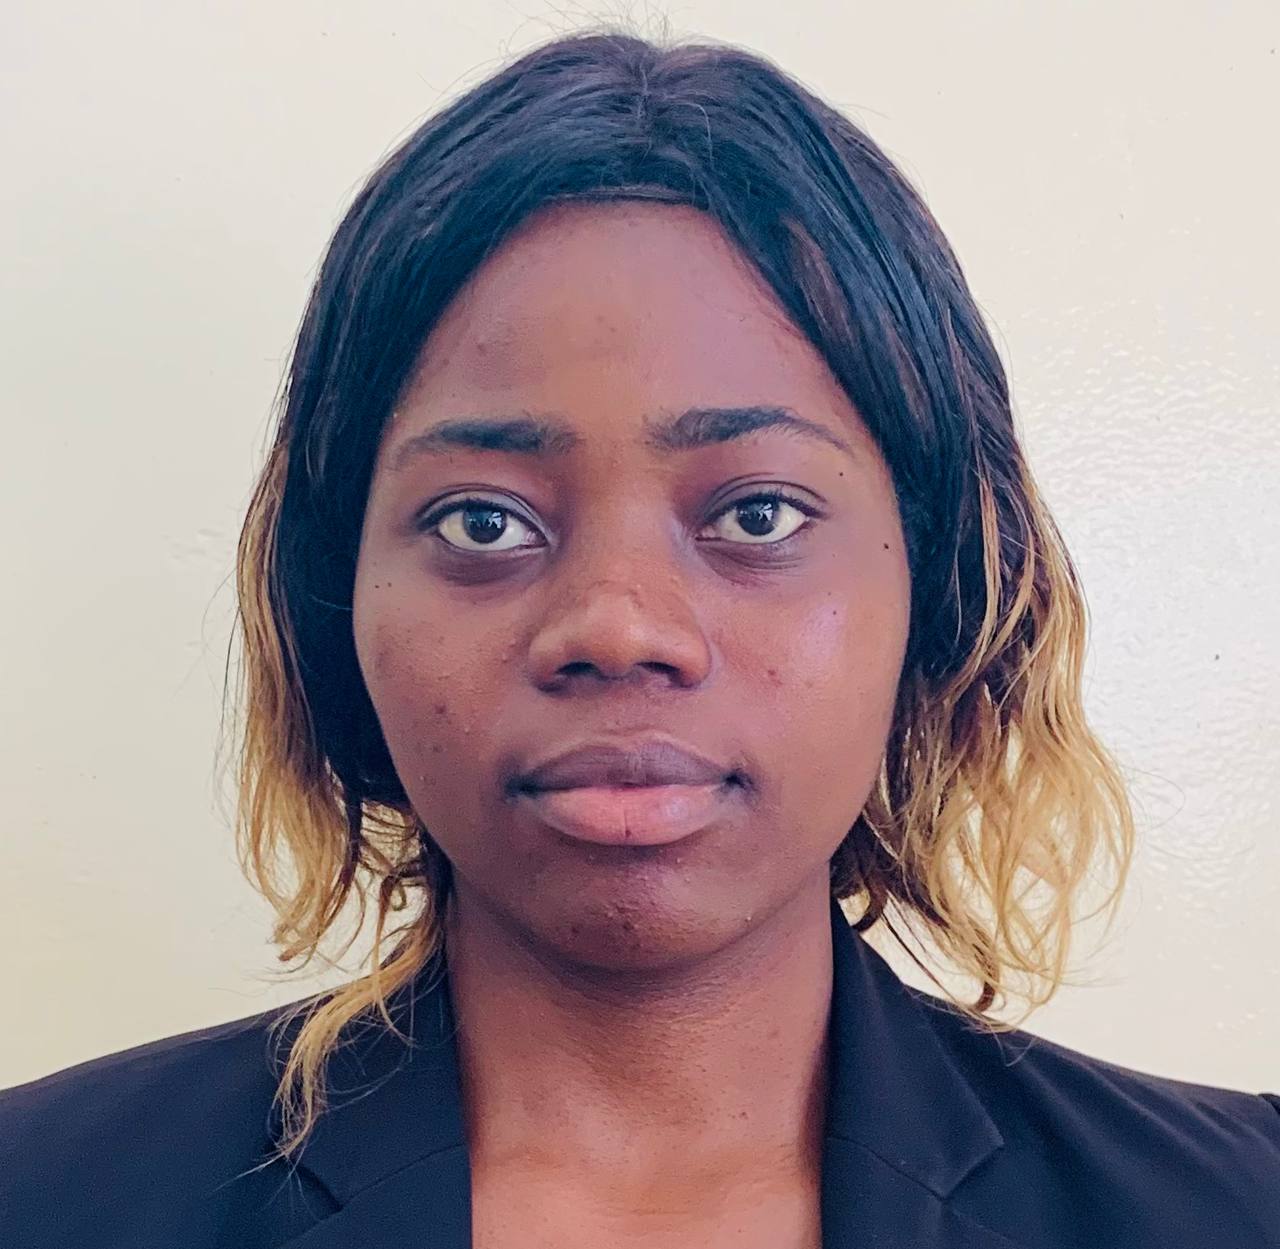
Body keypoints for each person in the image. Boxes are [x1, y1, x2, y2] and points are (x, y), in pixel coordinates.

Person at [2, 27, 1277, 1249]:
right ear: (333, 604)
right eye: (484, 520)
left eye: (758, 513)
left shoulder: (1238, 1207)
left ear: (941, 590)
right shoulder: (42, 1198)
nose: (616, 628)